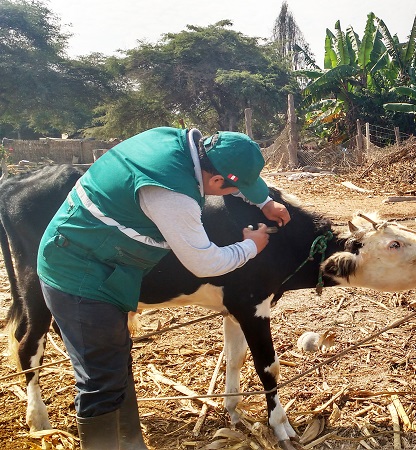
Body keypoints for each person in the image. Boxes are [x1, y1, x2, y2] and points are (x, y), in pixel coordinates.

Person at [37, 126, 291, 449]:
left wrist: (265, 201)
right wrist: (251, 247)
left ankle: (131, 445)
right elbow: (205, 263)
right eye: (233, 189)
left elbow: (231, 183)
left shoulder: (180, 144)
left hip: (101, 261)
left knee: (116, 366)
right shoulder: (174, 196)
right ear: (215, 182)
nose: (234, 194)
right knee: (100, 381)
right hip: (77, 272)